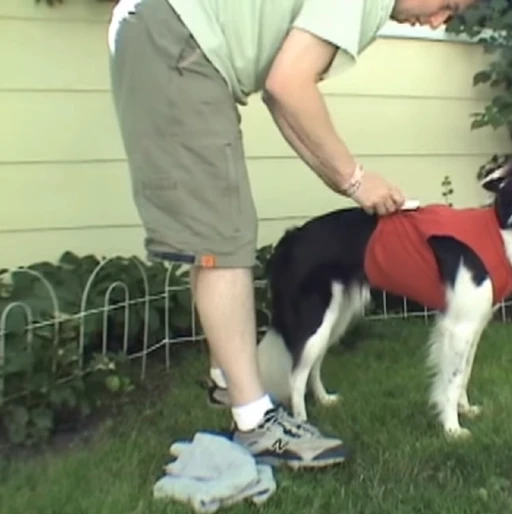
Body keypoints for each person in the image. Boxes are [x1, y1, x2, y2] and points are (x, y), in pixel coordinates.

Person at [108, 0, 480, 469]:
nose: (441, 20)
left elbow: (279, 95)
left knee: (220, 233)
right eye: (449, 4)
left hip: (167, 32)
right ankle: (255, 423)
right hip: (176, 37)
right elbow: (289, 86)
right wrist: (357, 178)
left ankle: (233, 387)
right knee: (222, 237)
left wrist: (345, 180)